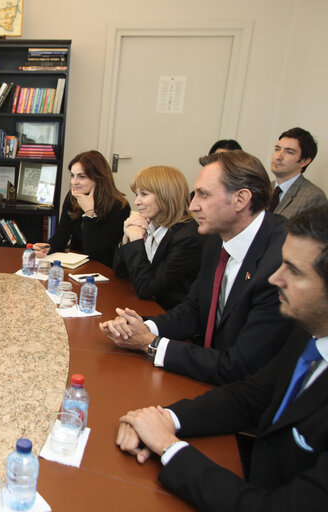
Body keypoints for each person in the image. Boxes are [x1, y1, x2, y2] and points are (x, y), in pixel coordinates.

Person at [115, 204, 328, 512]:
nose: (274, 279)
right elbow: (250, 396)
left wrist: (169, 447)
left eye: (294, 271)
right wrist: (163, 420)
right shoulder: (310, 331)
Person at [100, 150, 293, 385]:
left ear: (240, 199)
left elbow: (238, 365)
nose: (192, 206)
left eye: (203, 195)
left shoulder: (281, 261)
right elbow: (195, 309)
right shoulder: (215, 238)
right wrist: (142, 327)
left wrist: (150, 343)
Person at [112, 166, 206, 310]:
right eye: (137, 194)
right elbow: (121, 272)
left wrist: (137, 239)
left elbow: (146, 289)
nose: (137, 202)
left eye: (144, 194)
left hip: (167, 315)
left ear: (165, 196)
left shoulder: (187, 239)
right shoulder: (153, 224)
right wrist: (127, 237)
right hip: (147, 305)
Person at [33, 150, 130, 266]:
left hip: (103, 269)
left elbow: (94, 252)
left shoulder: (119, 206)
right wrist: (48, 247)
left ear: (99, 178)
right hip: (76, 265)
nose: (74, 182)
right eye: (72, 175)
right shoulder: (73, 197)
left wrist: (90, 213)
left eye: (81, 176)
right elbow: (62, 235)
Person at [269, 127, 327, 219]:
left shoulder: (313, 197)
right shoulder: (264, 187)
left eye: (289, 152)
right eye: (277, 149)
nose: (278, 157)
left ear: (304, 161)